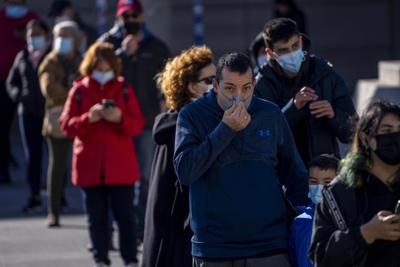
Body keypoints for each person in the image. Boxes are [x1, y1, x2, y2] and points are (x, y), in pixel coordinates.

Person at [174, 52, 309, 267]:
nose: (238, 96)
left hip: (269, 246)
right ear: (216, 86)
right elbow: (185, 171)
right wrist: (225, 129)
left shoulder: (270, 114)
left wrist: (303, 227)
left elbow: (295, 176)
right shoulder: (192, 115)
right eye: (230, 88)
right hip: (214, 249)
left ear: (254, 84)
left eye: (246, 88)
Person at [60, 42, 144, 267]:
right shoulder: (79, 90)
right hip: (90, 167)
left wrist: (119, 118)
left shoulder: (124, 89)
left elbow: (137, 125)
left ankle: (130, 260)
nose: (103, 71)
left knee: (125, 218)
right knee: (96, 219)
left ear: (114, 67)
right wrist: (89, 118)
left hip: (120, 167)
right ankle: (101, 259)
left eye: (107, 67)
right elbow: (66, 125)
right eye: (99, 66)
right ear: (91, 66)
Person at [98, 0, 171, 241]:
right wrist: (122, 54)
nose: (130, 20)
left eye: (134, 15)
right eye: (125, 15)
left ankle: (140, 228)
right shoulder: (106, 44)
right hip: (114, 121)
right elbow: (94, 76)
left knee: (145, 177)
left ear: (142, 17)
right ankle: (106, 233)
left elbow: (167, 79)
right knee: (110, 178)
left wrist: (164, 102)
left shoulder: (156, 46)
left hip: (146, 122)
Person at [142, 46, 215, 267]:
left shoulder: (191, 120)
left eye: (218, 78)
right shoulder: (181, 126)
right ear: (191, 87)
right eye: (209, 80)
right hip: (180, 239)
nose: (217, 85)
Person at [309, 100, 400, 267]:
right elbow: (320, 257)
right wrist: (366, 233)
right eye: (387, 131)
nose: (396, 138)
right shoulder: (340, 193)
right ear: (366, 138)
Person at [255, 18, 356, 166]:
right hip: (284, 178)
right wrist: (293, 108)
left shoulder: (325, 73)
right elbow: (261, 137)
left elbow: (352, 133)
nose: (291, 53)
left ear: (301, 41)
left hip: (326, 175)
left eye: (295, 46)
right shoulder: (262, 85)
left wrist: (333, 115)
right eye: (283, 50)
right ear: (270, 53)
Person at [39, 20, 82, 226]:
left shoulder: (83, 61)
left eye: (67, 36)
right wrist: (74, 93)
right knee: (57, 168)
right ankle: (53, 212)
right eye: (60, 36)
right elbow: (50, 90)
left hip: (81, 121)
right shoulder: (50, 62)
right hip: (57, 122)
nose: (63, 41)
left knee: (85, 166)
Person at [6, 19, 51, 213]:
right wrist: (19, 96)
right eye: (30, 34)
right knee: (32, 156)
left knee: (54, 156)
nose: (33, 38)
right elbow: (11, 82)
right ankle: (34, 195)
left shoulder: (53, 56)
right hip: (28, 113)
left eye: (37, 33)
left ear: (46, 35)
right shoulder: (22, 56)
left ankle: (58, 196)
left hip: (50, 112)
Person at [0, 0, 38, 184]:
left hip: (27, 82)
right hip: (2, 82)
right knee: (2, 127)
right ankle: (3, 168)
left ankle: (35, 176)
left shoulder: (32, 19)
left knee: (32, 131)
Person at [289, 154, 339, 267]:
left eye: (327, 182)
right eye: (313, 182)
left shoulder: (345, 222)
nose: (319, 187)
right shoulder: (299, 223)